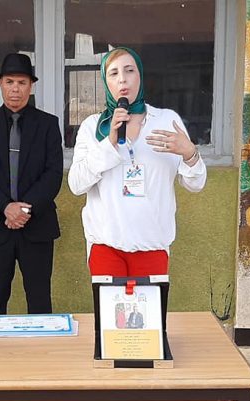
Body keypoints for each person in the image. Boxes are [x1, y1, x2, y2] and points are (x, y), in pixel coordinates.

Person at [67, 47, 205, 277]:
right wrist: (109, 142)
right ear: (106, 82)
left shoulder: (166, 120)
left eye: (129, 70)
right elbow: (76, 185)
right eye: (113, 73)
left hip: (153, 246)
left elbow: (196, 184)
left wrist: (190, 154)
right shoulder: (93, 127)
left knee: (151, 303)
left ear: (140, 76)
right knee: (109, 303)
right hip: (106, 246)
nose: (122, 79)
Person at [0, 53, 63, 315]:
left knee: (39, 298)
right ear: (0, 84)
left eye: (22, 82)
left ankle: (40, 342)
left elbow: (53, 174)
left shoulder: (48, 124)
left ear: (31, 86)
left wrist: (24, 209)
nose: (15, 89)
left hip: (37, 224)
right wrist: (6, 208)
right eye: (9, 82)